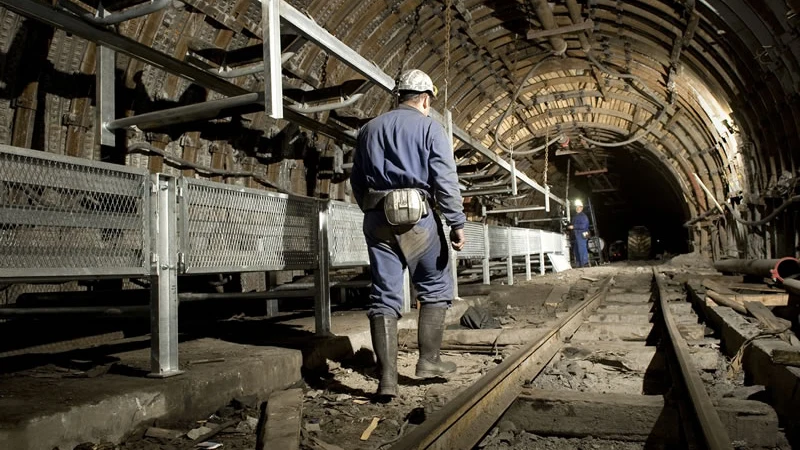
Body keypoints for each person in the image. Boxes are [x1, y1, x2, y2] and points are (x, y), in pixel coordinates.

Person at [350, 69, 466, 400]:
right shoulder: (430, 127)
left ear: (399, 95)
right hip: (417, 218)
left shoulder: (368, 129)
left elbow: (357, 180)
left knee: (384, 294)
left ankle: (387, 379)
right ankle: (428, 361)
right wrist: (457, 222)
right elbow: (444, 179)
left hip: (376, 217)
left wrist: (371, 210)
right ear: (426, 98)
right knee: (434, 285)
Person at [567, 199, 590, 268]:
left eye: (579, 207)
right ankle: (579, 264)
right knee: (576, 250)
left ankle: (585, 263)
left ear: (582, 208)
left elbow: (583, 226)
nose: (577, 208)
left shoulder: (583, 216)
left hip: (582, 234)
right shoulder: (575, 216)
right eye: (576, 207)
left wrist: (573, 226)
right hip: (577, 235)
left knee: (582, 248)